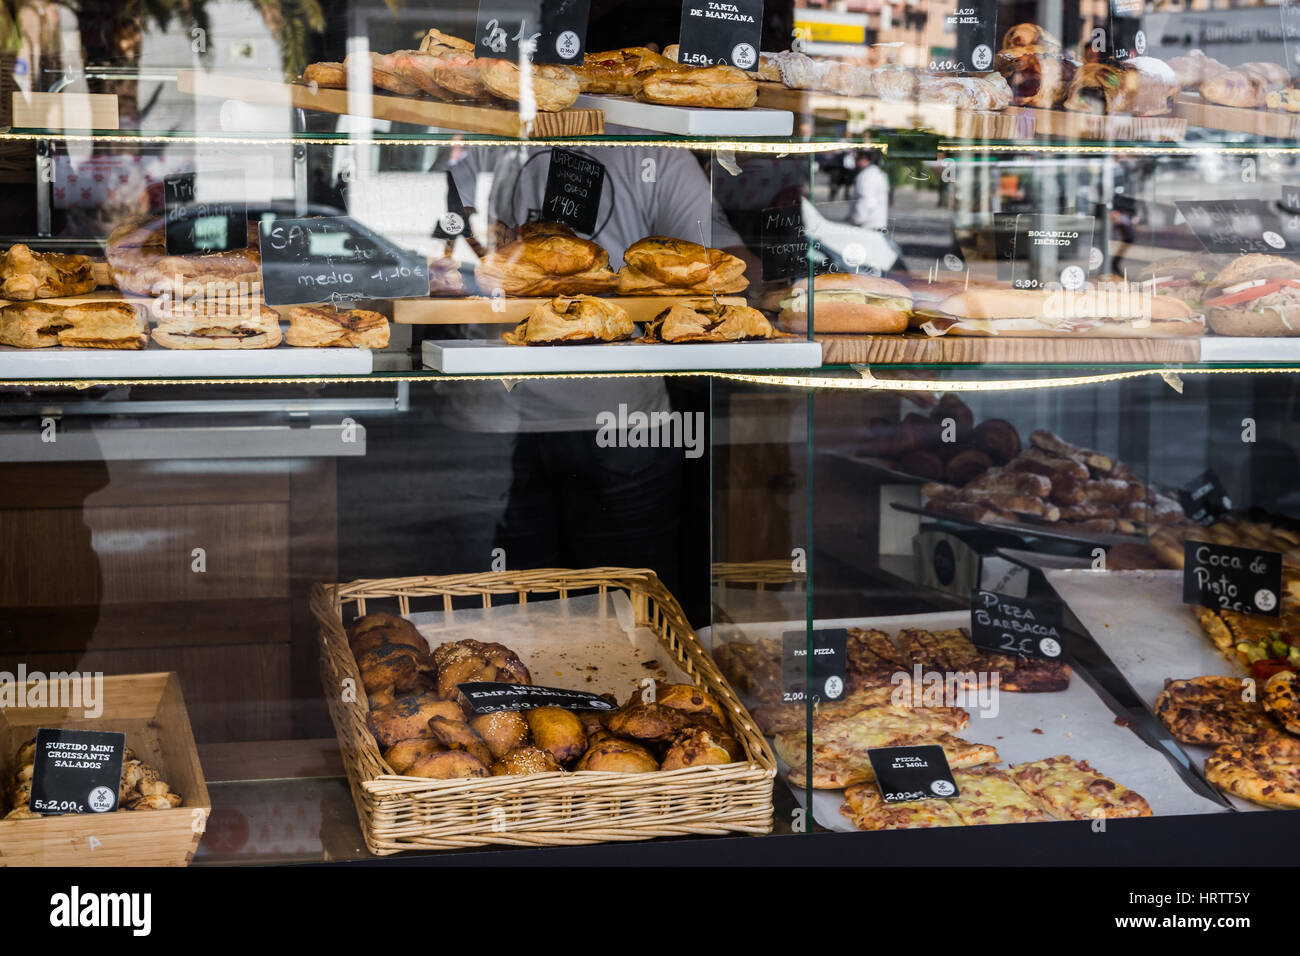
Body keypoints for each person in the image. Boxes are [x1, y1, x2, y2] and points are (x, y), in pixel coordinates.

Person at [848, 149, 889, 231]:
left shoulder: (866, 176)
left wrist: (857, 220)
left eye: (855, 157)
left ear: (863, 158)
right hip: (877, 223)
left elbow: (866, 200)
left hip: (867, 225)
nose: (854, 160)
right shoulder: (878, 173)